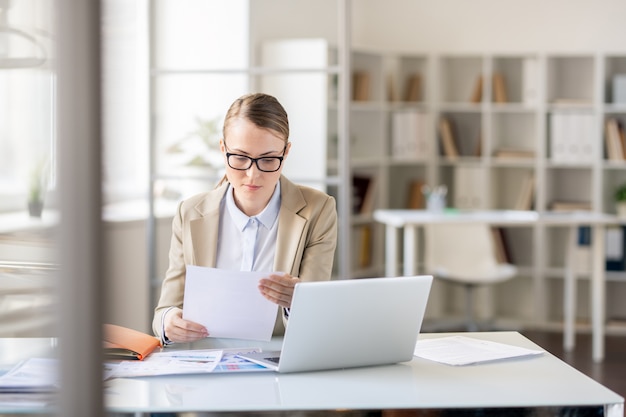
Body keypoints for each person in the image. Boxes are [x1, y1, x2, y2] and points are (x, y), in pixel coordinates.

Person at [152, 92, 338, 345]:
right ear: (223, 149)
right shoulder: (190, 212)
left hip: (279, 359)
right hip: (208, 357)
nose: (253, 174)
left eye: (268, 159)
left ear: (286, 152)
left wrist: (298, 300)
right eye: (240, 158)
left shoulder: (318, 210)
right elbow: (165, 309)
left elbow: (317, 319)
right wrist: (169, 322)